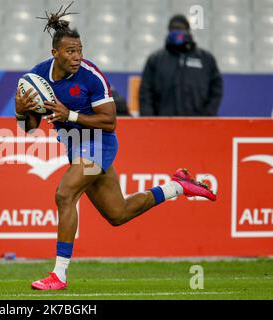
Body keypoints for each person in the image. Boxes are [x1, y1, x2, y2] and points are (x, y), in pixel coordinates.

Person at [14, 5, 216, 291]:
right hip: (77, 148)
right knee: (118, 214)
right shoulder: (37, 77)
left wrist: (69, 115)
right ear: (54, 53)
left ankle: (59, 275)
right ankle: (177, 187)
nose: (77, 57)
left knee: (64, 194)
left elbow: (110, 122)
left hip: (98, 144)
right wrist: (20, 111)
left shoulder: (91, 76)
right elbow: (30, 127)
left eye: (80, 50)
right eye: (71, 51)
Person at [139, 14, 223, 116]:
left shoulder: (206, 59)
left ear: (188, 30)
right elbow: (145, 92)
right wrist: (149, 119)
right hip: (163, 124)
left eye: (180, 28)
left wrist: (208, 115)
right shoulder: (156, 59)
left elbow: (216, 90)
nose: (176, 32)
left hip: (198, 124)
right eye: (173, 29)